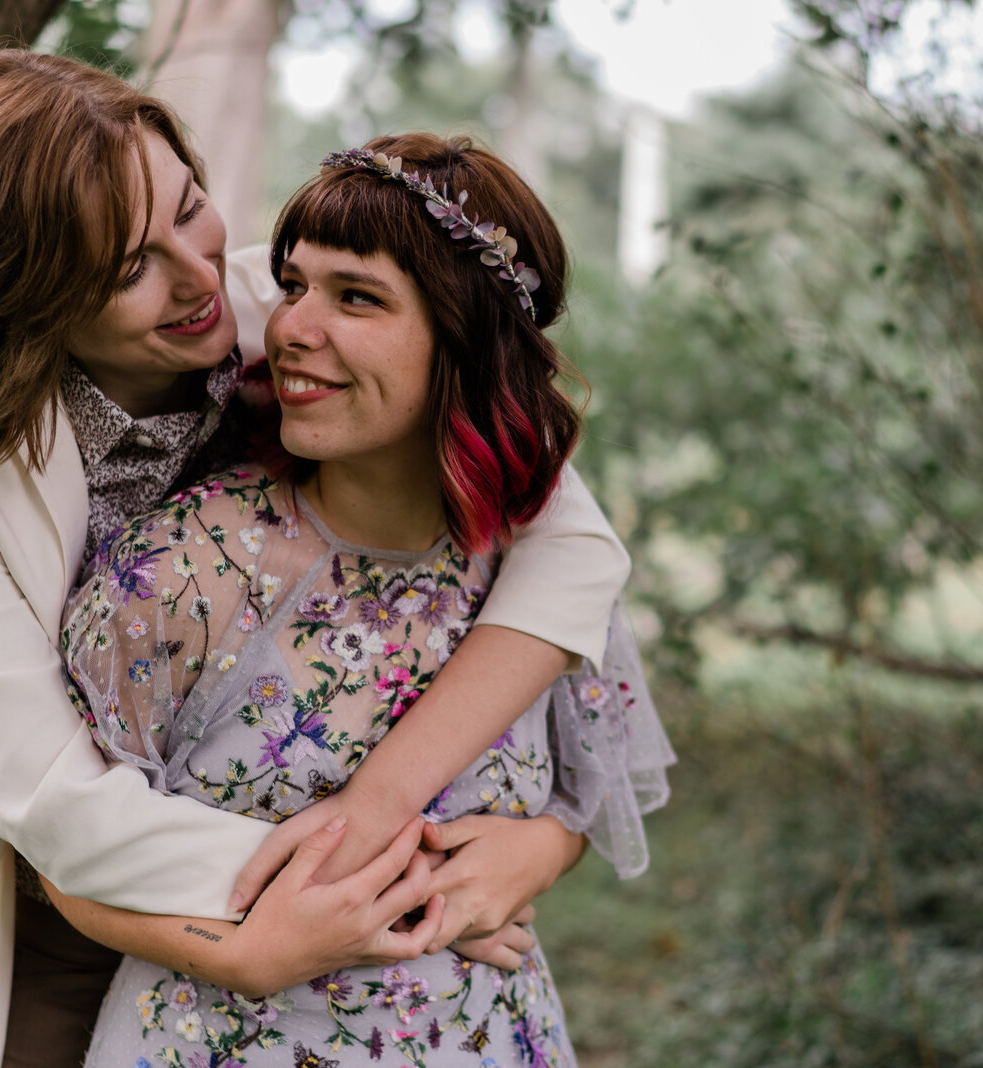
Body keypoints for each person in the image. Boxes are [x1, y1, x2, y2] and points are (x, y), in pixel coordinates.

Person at [0, 50, 639, 1068]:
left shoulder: (300, 313)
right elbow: (50, 799)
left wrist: (430, 822)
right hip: (94, 892)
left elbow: (568, 541)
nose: (197, 277)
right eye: (126, 267)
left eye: (190, 207)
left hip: (335, 838)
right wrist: (356, 900)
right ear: (27, 301)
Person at [47, 134, 674, 1067]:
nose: (293, 327)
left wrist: (537, 851)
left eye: (358, 298)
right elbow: (69, 858)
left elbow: (588, 791)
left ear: (466, 341)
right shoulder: (180, 574)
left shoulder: (535, 569)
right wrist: (248, 952)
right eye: (295, 285)